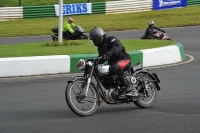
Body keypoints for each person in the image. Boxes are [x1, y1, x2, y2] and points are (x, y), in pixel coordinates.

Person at [89, 27, 138, 96]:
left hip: (124, 59)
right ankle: (113, 89)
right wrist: (94, 63)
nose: (93, 42)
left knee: (114, 67)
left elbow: (118, 47)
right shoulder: (101, 47)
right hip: (113, 63)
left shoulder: (110, 39)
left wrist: (109, 53)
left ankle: (128, 85)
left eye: (93, 39)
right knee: (100, 71)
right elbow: (101, 58)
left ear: (97, 37)